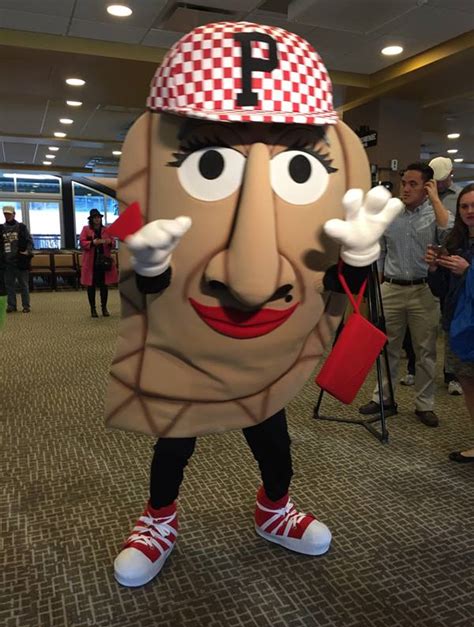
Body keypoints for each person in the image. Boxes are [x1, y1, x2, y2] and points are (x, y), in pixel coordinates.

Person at [103, 21, 402, 588]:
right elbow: (150, 293)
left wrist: (359, 258)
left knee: (273, 441)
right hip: (187, 353)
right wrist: (152, 267)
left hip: (265, 355)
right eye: (209, 164)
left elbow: (332, 282)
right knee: (174, 441)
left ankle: (274, 507)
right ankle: (159, 518)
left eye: (300, 167)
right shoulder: (155, 199)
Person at [359, 162, 454, 427]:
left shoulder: (436, 214)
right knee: (386, 347)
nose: (406, 189)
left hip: (424, 289)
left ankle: (424, 404)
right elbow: (381, 252)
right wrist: (379, 287)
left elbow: (448, 233)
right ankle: (384, 398)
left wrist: (435, 199)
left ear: (427, 187)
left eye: (413, 184)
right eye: (404, 183)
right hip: (391, 287)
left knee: (425, 350)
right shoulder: (391, 213)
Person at [425, 183, 474, 462]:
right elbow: (441, 290)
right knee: (468, 386)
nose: (469, 211)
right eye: (464, 206)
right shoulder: (456, 243)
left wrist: (468, 272)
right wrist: (434, 267)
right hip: (457, 326)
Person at [429, 156, 464, 396]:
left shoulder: (461, 197)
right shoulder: (426, 194)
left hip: (454, 263)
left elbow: (453, 231)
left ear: (451, 174)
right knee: (433, 322)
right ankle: (414, 368)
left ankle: (451, 374)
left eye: (442, 180)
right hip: (431, 263)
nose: (439, 185)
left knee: (451, 319)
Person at [79, 209, 118, 317]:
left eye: (99, 217)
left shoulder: (107, 230)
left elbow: (113, 242)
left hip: (104, 261)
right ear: (91, 219)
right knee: (91, 286)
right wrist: (92, 242)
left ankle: (104, 308)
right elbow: (82, 242)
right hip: (91, 263)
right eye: (95, 218)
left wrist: (109, 242)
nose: (97, 219)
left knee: (104, 286)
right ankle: (93, 309)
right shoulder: (86, 229)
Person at [1, 205, 33, 313]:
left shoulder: (21, 227)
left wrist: (27, 251)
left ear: (14, 214)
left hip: (20, 261)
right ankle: (11, 305)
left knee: (24, 285)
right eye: (5, 214)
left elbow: (29, 241)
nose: (7, 216)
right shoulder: (1, 228)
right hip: (7, 262)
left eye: (9, 214)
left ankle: (26, 306)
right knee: (9, 286)